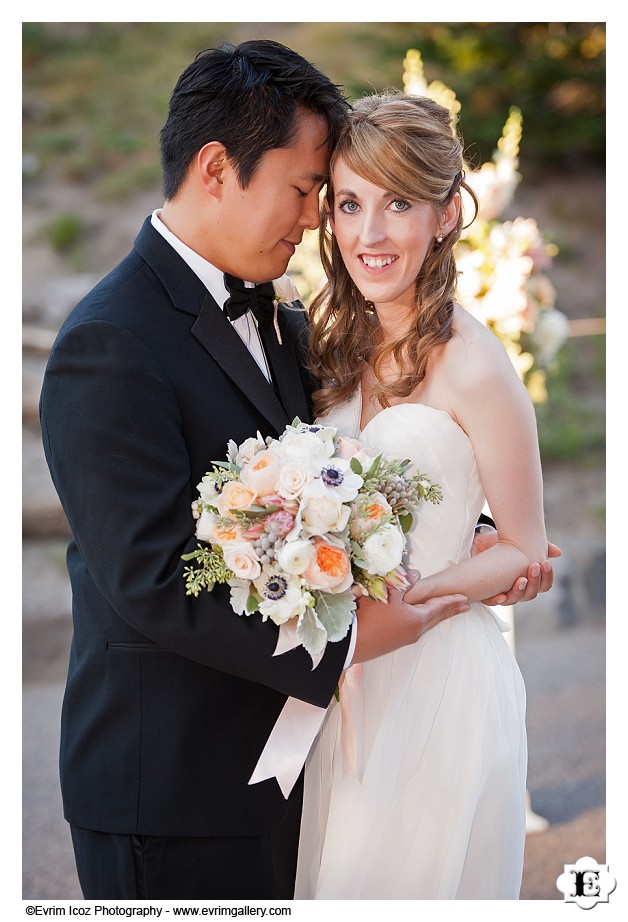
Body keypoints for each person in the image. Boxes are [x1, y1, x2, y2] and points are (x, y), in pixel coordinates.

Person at [39, 42, 555, 900]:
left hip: (303, 764)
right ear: (216, 169)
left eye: (335, 195)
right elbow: (154, 579)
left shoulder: (290, 327)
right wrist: (365, 630)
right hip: (174, 788)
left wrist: (470, 537)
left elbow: (355, 481)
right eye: (313, 191)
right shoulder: (110, 342)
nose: (323, 220)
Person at [294, 91, 549, 899]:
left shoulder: (475, 364)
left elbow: (520, 544)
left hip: (438, 685)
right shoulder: (330, 340)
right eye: (350, 204)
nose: (369, 235)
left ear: (444, 215)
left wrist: (418, 605)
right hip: (343, 684)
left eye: (398, 203)